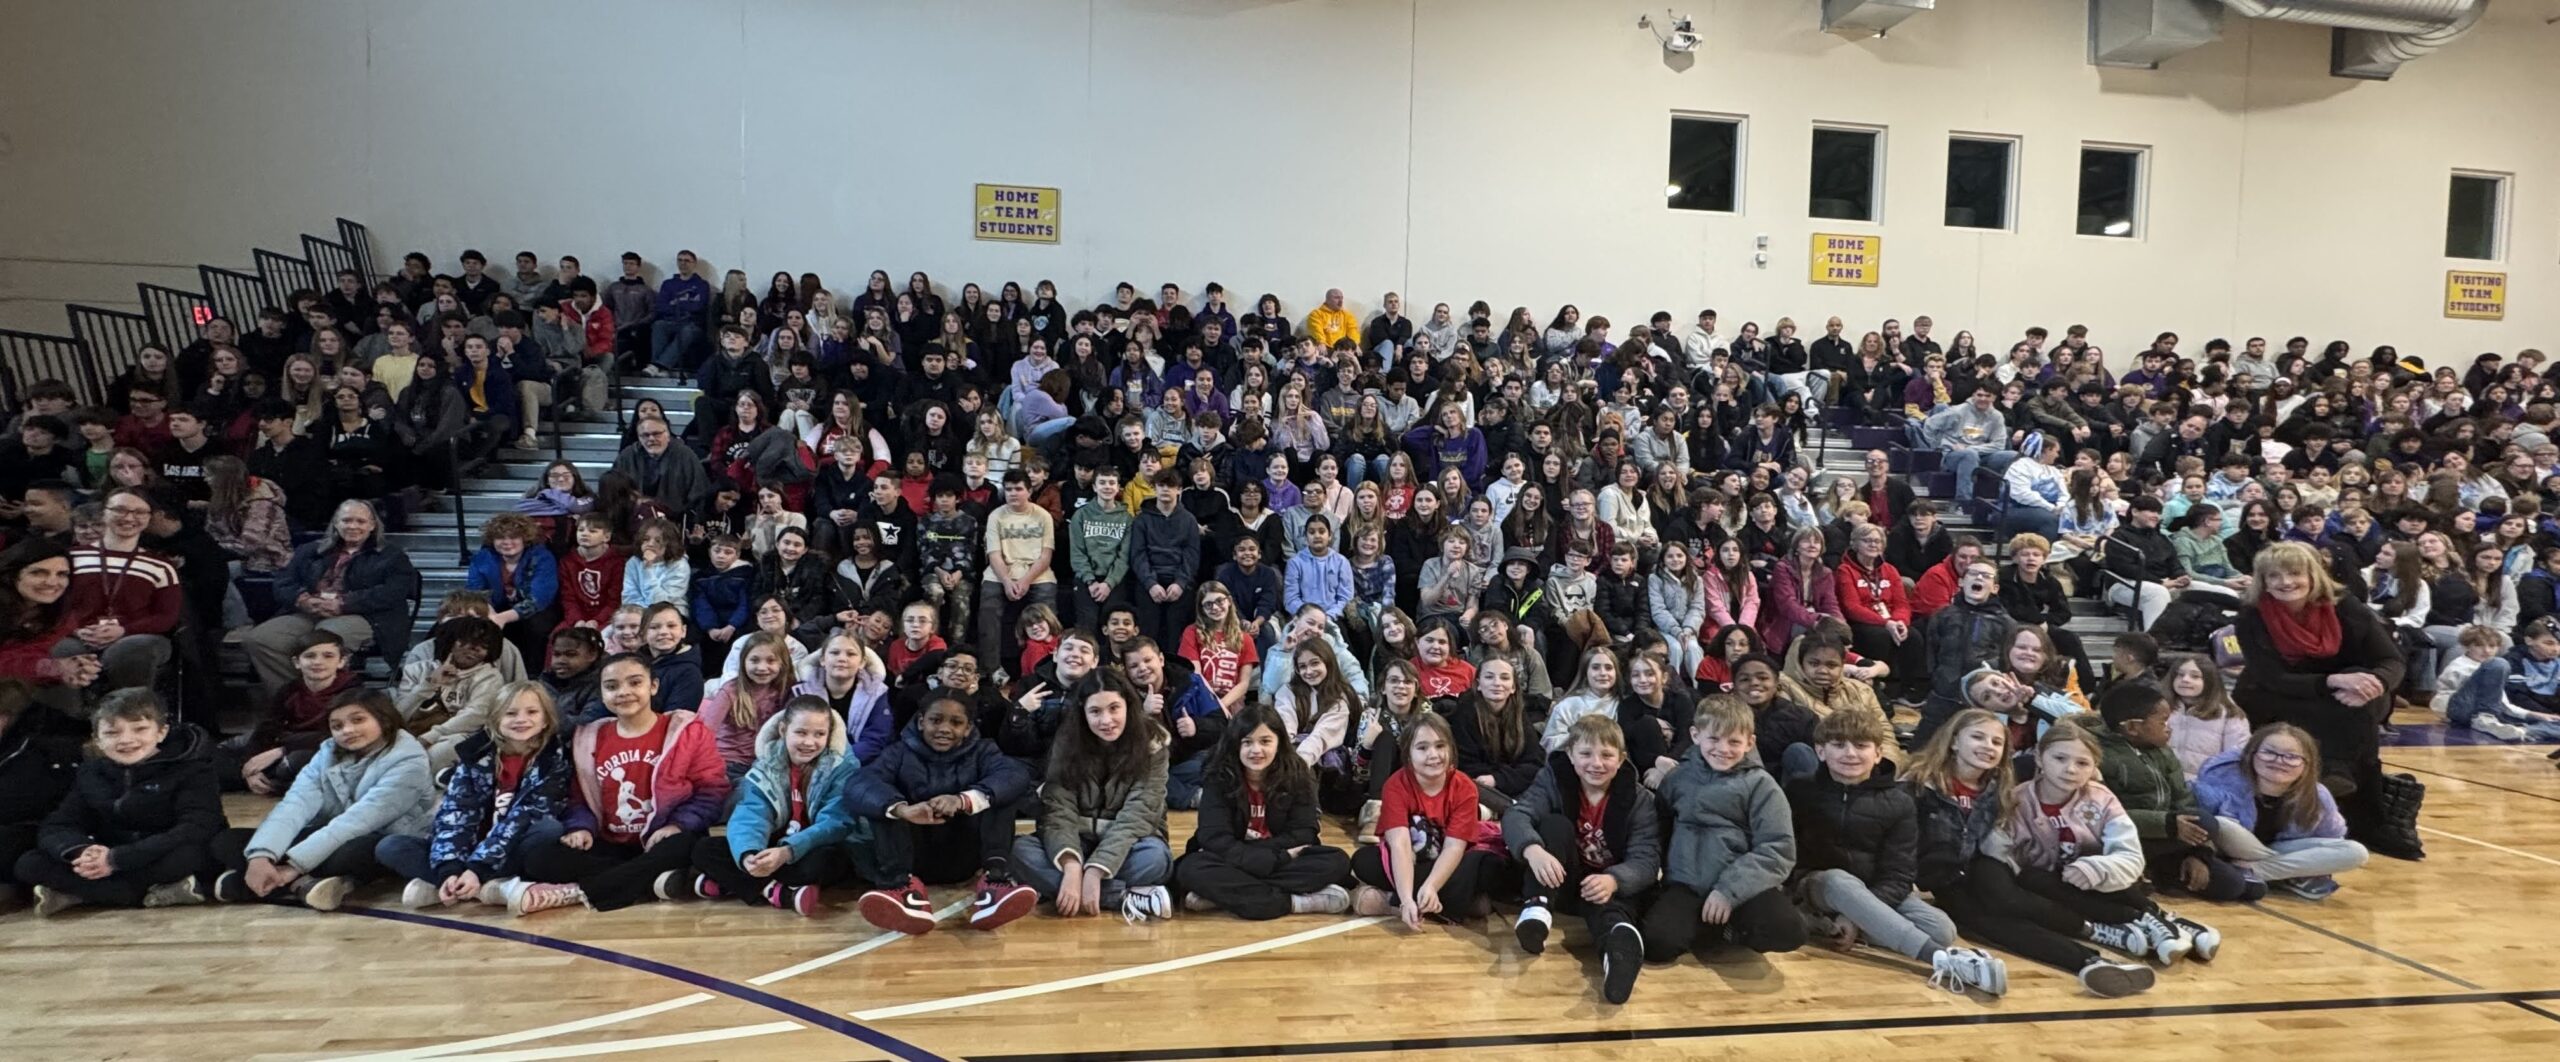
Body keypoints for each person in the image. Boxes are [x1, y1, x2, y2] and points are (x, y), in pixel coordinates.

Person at [1903, 708, 2158, 997]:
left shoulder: (2000, 785)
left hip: (1982, 864)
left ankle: (2108, 934)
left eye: (1996, 742)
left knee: (2007, 898)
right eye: (1977, 737)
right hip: (1942, 877)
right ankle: (2091, 956)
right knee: (1982, 920)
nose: (1987, 746)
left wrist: (2087, 771)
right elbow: (1901, 842)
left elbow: (2062, 759)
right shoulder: (1918, 783)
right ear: (1953, 741)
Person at [1784, 705, 2006, 995]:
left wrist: (1855, 915)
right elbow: (1787, 850)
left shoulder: (1898, 801)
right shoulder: (1800, 790)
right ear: (1821, 751)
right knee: (1839, 879)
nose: (1850, 753)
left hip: (1873, 888)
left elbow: (1899, 873)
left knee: (1941, 929)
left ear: (1878, 753)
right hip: (1818, 885)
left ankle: (1829, 927)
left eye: (1861, 745)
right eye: (1839, 745)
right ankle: (1940, 959)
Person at [2231, 542, 2417, 859]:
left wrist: (2377, 683)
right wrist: (2332, 681)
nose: (2285, 582)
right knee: (2343, 713)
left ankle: (2350, 799)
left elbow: (2391, 660)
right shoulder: (2251, 615)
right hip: (2279, 692)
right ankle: (2349, 796)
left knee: (2358, 700)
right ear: (2263, 580)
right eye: (2275, 576)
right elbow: (2272, 677)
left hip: (2349, 694)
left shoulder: (2347, 607)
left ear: (2313, 575)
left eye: (2294, 573)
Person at [515, 654, 731, 914]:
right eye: (612, 686)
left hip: (664, 839)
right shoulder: (589, 737)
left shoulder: (687, 731)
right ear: (602, 692)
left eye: (635, 683)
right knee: (538, 858)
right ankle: (650, 881)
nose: (624, 692)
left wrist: (677, 824)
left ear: (653, 686)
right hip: (612, 845)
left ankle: (583, 891)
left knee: (687, 846)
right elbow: (577, 797)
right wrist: (581, 827)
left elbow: (712, 790)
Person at [1996, 722, 2218, 966]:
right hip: (2051, 886)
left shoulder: (2102, 798)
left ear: (2094, 767)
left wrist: (2097, 868)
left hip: (2106, 886)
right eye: (2059, 758)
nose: (2070, 769)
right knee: (2031, 879)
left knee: (2103, 875)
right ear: (2039, 757)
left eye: (2082, 763)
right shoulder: (2017, 800)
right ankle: (2141, 919)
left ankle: (2161, 920)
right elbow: (2005, 853)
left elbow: (2131, 855)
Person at [207, 691, 434, 911]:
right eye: (337, 726)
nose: (347, 730)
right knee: (227, 841)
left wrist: (294, 866)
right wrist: (261, 856)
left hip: (380, 837)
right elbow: (295, 805)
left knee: (356, 852)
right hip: (327, 835)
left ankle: (277, 882)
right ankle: (304, 885)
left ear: (384, 721)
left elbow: (358, 821)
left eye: (358, 720)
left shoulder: (409, 759)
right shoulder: (327, 753)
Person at [14, 690, 219, 913]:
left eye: (140, 729)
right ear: (98, 740)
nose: (126, 740)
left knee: (193, 855)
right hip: (110, 855)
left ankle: (88, 894)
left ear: (161, 732)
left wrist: (118, 859)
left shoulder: (193, 770)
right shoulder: (90, 773)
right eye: (112, 733)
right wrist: (81, 851)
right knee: (29, 863)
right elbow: (59, 824)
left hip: (156, 854)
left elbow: (196, 827)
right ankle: (134, 893)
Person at [850, 693, 1040, 934]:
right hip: (912, 857)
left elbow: (1015, 776)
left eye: (956, 722)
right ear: (921, 722)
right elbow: (858, 785)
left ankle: (995, 883)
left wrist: (964, 800)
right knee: (883, 803)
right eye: (936, 720)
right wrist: (902, 809)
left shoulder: (984, 751)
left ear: (969, 727)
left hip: (967, 855)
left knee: (1002, 794)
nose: (944, 729)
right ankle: (901, 889)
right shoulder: (898, 752)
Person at [1640, 694, 1807, 962]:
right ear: (1695, 735)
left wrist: (1728, 892)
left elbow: (1777, 849)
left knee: (1788, 931)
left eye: (1734, 741)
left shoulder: (1761, 785)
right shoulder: (1678, 779)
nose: (1723, 749)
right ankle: (1709, 925)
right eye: (1713, 739)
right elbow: (1660, 827)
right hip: (1687, 883)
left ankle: (1729, 926)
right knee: (1658, 943)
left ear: (1750, 742)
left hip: (1742, 886)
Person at [1503, 714, 1656, 1002]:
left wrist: (1614, 879)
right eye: (1585, 753)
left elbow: (1647, 859)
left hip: (1604, 885)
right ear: (1571, 755)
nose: (1596, 764)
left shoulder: (1640, 799)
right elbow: (1516, 814)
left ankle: (1617, 952)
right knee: (1553, 825)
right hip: (1561, 877)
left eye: (1606, 755)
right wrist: (1532, 849)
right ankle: (1536, 910)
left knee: (1608, 912)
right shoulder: (1552, 778)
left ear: (1621, 759)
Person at [379, 681, 569, 910]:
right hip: (468, 848)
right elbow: (455, 814)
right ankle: (463, 886)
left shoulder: (554, 760)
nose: (521, 719)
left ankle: (464, 885)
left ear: (546, 719)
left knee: (548, 829)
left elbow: (523, 817)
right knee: (390, 846)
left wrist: (478, 869)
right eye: (510, 713)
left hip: (508, 850)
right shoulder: (474, 756)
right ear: (495, 720)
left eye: (532, 712)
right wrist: (450, 868)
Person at [1011, 671, 1176, 920]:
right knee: (1020, 850)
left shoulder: (1153, 743)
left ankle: (1063, 890)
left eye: (1114, 708)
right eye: (1095, 712)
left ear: (1129, 707)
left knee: (1155, 858)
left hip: (1128, 844)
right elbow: (1057, 811)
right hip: (1077, 840)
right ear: (1083, 713)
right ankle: (1126, 897)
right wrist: (1071, 864)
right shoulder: (1067, 742)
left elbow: (1139, 814)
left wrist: (1097, 870)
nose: (1106, 720)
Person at [1173, 703, 1354, 919]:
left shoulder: (1298, 773)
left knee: (1337, 861)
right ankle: (1295, 903)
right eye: (1247, 742)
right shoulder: (1218, 775)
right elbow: (1213, 836)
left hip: (1266, 857)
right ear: (1235, 745)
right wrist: (1268, 858)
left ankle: (1223, 895)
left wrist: (1267, 857)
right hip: (1247, 856)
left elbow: (1305, 832)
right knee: (1191, 867)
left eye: (1265, 741)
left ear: (1279, 743)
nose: (1256, 750)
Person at [681, 697, 857, 916]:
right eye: (801, 733)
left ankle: (731, 882)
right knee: (704, 849)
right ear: (783, 730)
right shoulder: (767, 763)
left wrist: (787, 851)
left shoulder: (843, 767)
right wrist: (750, 854)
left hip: (813, 845)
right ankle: (778, 892)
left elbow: (834, 824)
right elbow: (751, 813)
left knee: (820, 865)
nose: (810, 742)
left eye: (819, 734)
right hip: (775, 845)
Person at [2092, 683, 2254, 903]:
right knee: (2206, 821)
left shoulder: (2163, 751)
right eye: (2163, 722)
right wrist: (2167, 823)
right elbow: (2102, 814)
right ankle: (2137, 872)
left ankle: (2159, 873)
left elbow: (2183, 800)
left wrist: (2197, 854)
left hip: (2167, 840)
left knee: (2232, 885)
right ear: (2132, 727)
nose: (2169, 728)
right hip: (2121, 838)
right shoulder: (2098, 755)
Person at [244, 501, 419, 698]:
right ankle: (295, 698)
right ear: (336, 523)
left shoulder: (392, 556)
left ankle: (333, 700)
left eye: (360, 521)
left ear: (372, 526)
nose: (353, 526)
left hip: (367, 616)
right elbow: (283, 583)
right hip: (309, 611)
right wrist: (303, 600)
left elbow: (392, 592)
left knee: (325, 638)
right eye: (347, 520)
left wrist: (344, 603)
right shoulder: (310, 550)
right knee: (261, 638)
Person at [2189, 724, 2372, 901]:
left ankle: (2254, 871)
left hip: (2279, 849)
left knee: (2355, 851)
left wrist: (2317, 862)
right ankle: (2290, 875)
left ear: (2306, 764)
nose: (2279, 761)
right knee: (2222, 824)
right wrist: (2302, 865)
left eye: (2291, 757)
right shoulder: (2224, 780)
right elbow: (2201, 822)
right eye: (2269, 753)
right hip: (2233, 847)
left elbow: (2332, 838)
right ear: (2251, 755)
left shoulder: (2318, 795)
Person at [1348, 710, 1497, 926]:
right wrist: (1407, 898)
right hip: (1412, 860)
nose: (1433, 755)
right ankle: (1451, 903)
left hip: (1448, 860)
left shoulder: (1465, 787)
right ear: (1408, 754)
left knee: (1486, 864)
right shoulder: (1395, 785)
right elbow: (1400, 845)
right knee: (1364, 861)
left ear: (1451, 749)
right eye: (1422, 748)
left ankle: (1390, 902)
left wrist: (1432, 886)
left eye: (1440, 746)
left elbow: (1454, 848)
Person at [62, 486, 182, 693]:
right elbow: (54, 605)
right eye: (120, 510)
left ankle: (129, 714)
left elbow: (167, 616)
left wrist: (125, 630)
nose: (129, 518)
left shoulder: (161, 566)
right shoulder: (70, 558)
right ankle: (70, 719)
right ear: (104, 512)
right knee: (63, 650)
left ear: (148, 518)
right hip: (78, 634)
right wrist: (75, 629)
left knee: (130, 650)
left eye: (139, 512)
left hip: (137, 638)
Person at [2162, 653, 2248, 779]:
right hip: (2163, 784)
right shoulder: (2159, 708)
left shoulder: (2229, 715)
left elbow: (2235, 759)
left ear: (2209, 681)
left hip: (2207, 787)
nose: (2185, 679)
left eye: (2195, 676)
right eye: (2180, 675)